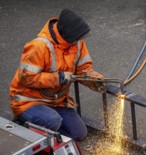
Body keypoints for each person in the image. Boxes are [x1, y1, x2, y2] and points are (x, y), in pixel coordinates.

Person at [9, 8, 106, 140]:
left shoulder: (76, 43)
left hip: (56, 101)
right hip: (29, 101)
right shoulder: (39, 47)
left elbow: (83, 69)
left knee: (79, 133)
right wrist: (58, 78)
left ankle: (47, 130)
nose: (79, 41)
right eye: (77, 39)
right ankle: (24, 125)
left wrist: (95, 80)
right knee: (53, 121)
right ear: (67, 35)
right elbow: (27, 78)